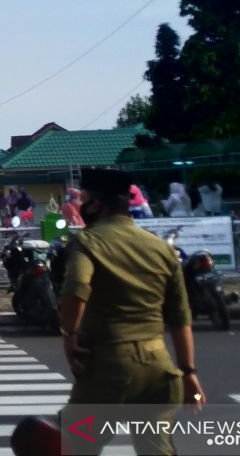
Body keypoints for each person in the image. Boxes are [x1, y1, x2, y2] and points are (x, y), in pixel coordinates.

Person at [58, 168, 204, 456]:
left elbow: (76, 288)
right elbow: (180, 318)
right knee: (156, 449)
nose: (80, 205)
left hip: (109, 373)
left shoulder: (88, 242)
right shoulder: (160, 247)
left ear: (96, 203)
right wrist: (188, 373)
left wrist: (69, 335)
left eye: (83, 199)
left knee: (71, 444)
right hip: (160, 372)